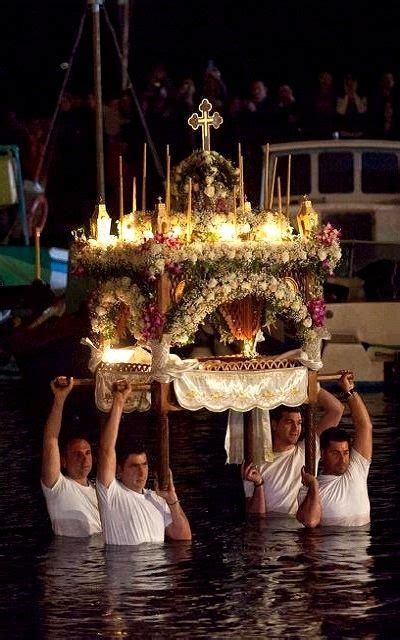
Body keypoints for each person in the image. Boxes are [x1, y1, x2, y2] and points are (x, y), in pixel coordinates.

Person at [96, 382, 192, 545]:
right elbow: (106, 450)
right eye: (134, 466)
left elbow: (183, 537)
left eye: (144, 465)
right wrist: (119, 401)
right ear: (119, 470)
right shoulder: (111, 494)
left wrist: (172, 500)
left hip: (156, 569)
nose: (142, 472)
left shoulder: (157, 498)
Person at [242, 387, 344, 517]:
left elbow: (337, 410)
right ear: (274, 425)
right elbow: (255, 516)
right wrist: (259, 484)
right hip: (270, 530)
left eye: (299, 423)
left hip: (302, 529)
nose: (296, 429)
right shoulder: (256, 461)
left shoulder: (307, 450)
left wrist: (310, 383)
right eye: (289, 422)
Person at [296, 371, 372, 528]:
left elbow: (365, 427)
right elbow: (310, 522)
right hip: (330, 552)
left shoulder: (357, 470)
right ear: (323, 454)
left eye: (345, 453)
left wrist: (349, 391)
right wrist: (314, 487)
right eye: (335, 453)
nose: (343, 459)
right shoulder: (308, 489)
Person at [41, 377, 102, 537]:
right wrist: (59, 399)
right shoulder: (58, 486)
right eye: (77, 454)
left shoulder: (100, 489)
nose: (84, 458)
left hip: (99, 557)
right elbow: (50, 440)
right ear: (63, 461)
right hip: (71, 558)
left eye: (87, 453)